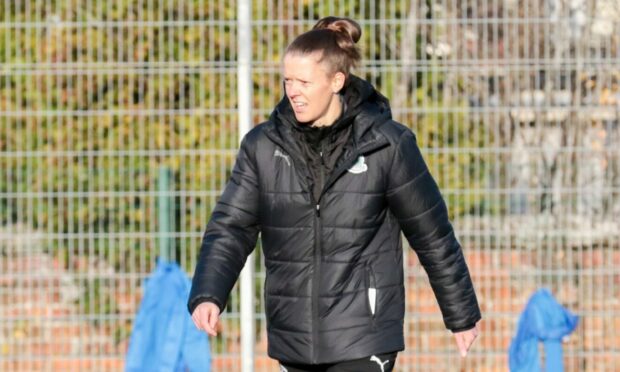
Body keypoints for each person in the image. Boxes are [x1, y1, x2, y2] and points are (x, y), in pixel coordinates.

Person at [188, 16, 481, 372]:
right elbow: (231, 228)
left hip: (364, 334)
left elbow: (432, 234)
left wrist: (461, 314)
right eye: (287, 81)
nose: (293, 91)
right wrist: (208, 293)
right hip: (293, 337)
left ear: (336, 81)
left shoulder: (387, 145)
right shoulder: (262, 147)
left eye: (304, 82)